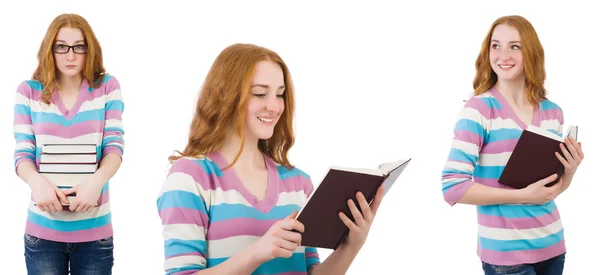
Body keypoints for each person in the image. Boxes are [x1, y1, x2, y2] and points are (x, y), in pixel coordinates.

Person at [157, 43, 384, 275]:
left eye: (280, 94)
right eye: (259, 93)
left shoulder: (298, 183)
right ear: (226, 96)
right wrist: (258, 252)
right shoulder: (190, 178)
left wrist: (351, 245)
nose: (274, 107)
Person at [441, 15, 584, 275]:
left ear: (530, 52)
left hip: (553, 246)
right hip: (507, 259)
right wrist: (521, 196)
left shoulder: (553, 113)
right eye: (496, 46)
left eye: (514, 46)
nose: (503, 55)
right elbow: (452, 187)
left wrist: (570, 171)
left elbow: (549, 190)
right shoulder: (479, 110)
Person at [13, 13, 124, 275]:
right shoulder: (28, 91)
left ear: (90, 49)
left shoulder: (107, 87)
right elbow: (23, 153)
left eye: (79, 46)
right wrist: (36, 182)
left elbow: (114, 147)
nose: (70, 55)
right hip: (43, 234)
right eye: (61, 46)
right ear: (50, 49)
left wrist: (96, 182)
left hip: (95, 233)